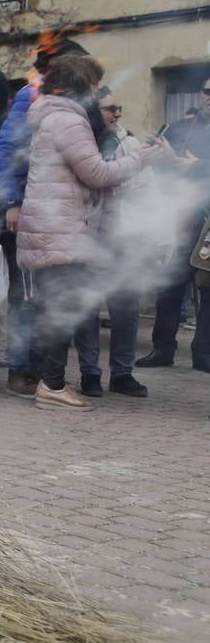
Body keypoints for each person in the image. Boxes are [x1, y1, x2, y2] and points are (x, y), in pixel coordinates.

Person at [17, 54, 165, 410]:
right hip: (62, 229)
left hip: (54, 226)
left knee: (59, 306)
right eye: (94, 85)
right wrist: (140, 159)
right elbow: (97, 173)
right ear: (80, 85)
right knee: (63, 308)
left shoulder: (52, 116)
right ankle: (51, 386)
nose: (98, 93)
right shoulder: (67, 120)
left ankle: (50, 381)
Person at [0, 37, 86, 396]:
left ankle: (48, 373)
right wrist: (13, 202)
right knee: (26, 297)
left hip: (61, 215)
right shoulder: (29, 97)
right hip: (30, 212)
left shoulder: (74, 100)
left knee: (52, 299)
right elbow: (3, 154)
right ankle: (21, 369)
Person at [71, 88, 150, 396]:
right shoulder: (82, 142)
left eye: (118, 108)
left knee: (126, 307)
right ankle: (90, 374)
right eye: (109, 109)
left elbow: (144, 185)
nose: (116, 113)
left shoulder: (129, 142)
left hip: (124, 235)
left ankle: (122, 373)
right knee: (88, 307)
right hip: (90, 235)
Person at [139, 76, 210, 369]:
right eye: (207, 91)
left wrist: (196, 166)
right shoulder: (180, 128)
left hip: (209, 221)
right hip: (180, 218)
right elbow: (157, 169)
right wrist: (161, 156)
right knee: (169, 286)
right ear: (200, 95)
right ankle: (163, 348)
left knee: (208, 289)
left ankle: (204, 352)